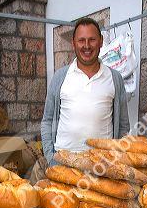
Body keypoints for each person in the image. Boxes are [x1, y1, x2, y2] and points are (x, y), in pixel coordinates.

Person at [41, 17, 130, 166]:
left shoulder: (115, 78)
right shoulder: (60, 77)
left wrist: (116, 159)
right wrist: (51, 157)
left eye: (92, 39)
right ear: (73, 43)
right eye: (81, 40)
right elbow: (47, 121)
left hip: (101, 165)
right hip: (63, 162)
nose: (86, 46)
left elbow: (123, 126)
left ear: (101, 41)